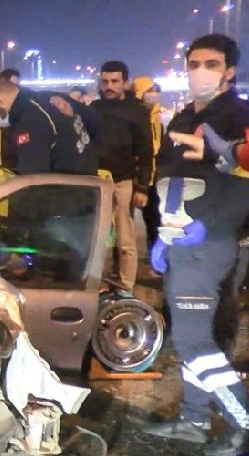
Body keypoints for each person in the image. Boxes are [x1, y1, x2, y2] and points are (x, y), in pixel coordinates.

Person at [140, 34, 249, 456]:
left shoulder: (242, 118)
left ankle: (245, 421)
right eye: (194, 62)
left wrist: (208, 227)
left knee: (195, 340)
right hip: (181, 242)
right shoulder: (181, 120)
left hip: (209, 242)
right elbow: (171, 183)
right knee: (193, 336)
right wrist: (162, 232)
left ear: (230, 70)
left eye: (211, 64)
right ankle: (195, 419)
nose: (200, 71)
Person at [91, 61, 154, 293]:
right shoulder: (95, 109)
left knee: (125, 241)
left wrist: (142, 187)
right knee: (97, 240)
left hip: (123, 182)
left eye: (114, 81)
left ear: (125, 83)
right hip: (97, 182)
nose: (109, 86)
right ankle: (97, 283)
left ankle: (125, 287)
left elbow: (146, 151)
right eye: (105, 81)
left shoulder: (136, 112)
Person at [0, 73, 97, 176]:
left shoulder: (30, 120)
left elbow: (32, 180)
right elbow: (93, 119)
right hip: (90, 187)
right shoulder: (51, 97)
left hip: (65, 196)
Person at [133, 76, 165, 251]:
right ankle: (118, 263)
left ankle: (155, 260)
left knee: (155, 220)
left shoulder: (156, 115)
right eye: (150, 91)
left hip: (154, 175)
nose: (155, 94)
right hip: (136, 175)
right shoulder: (136, 116)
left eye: (156, 91)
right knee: (125, 221)